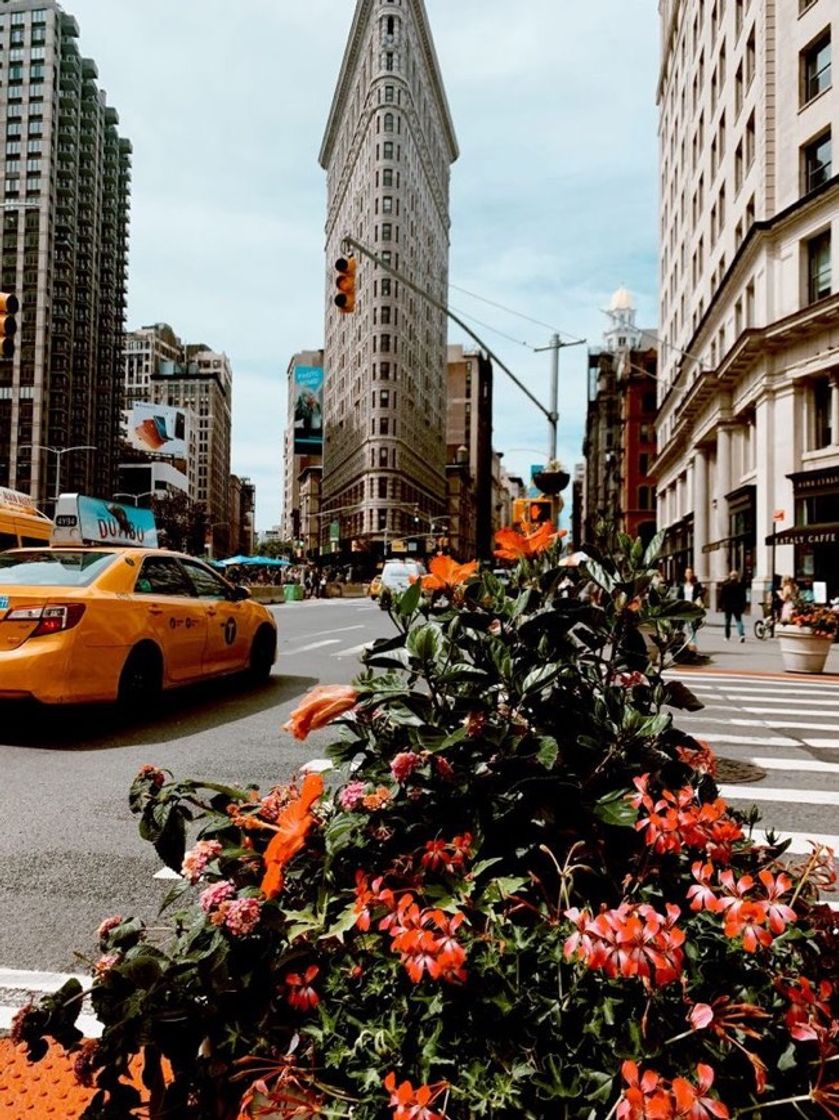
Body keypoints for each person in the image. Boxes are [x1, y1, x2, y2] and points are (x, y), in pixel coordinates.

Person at [720, 569, 747, 642]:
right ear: (737, 577)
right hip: (737, 606)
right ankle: (741, 635)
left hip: (728, 606)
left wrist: (721, 606)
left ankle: (727, 636)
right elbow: (743, 597)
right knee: (739, 621)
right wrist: (743, 606)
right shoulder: (740, 585)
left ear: (730, 576)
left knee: (727, 622)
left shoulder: (726, 585)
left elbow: (722, 597)